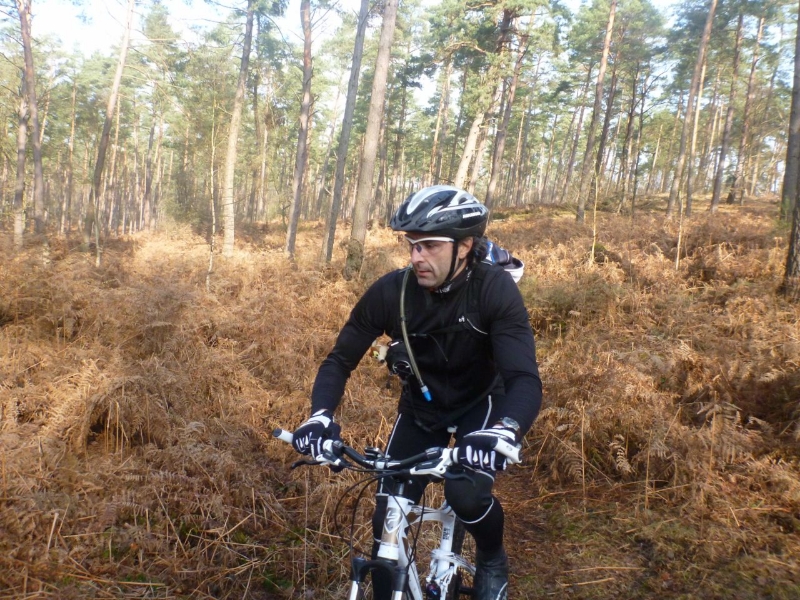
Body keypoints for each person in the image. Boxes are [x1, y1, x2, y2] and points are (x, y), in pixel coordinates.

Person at [291, 185, 542, 600]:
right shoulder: (392, 292)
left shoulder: (493, 289)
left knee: (465, 493)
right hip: (422, 407)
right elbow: (339, 361)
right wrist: (319, 416)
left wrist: (506, 430)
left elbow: (524, 378)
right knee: (386, 516)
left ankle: (492, 556)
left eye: (429, 246)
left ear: (464, 246)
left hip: (481, 402)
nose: (416, 257)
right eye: (412, 245)